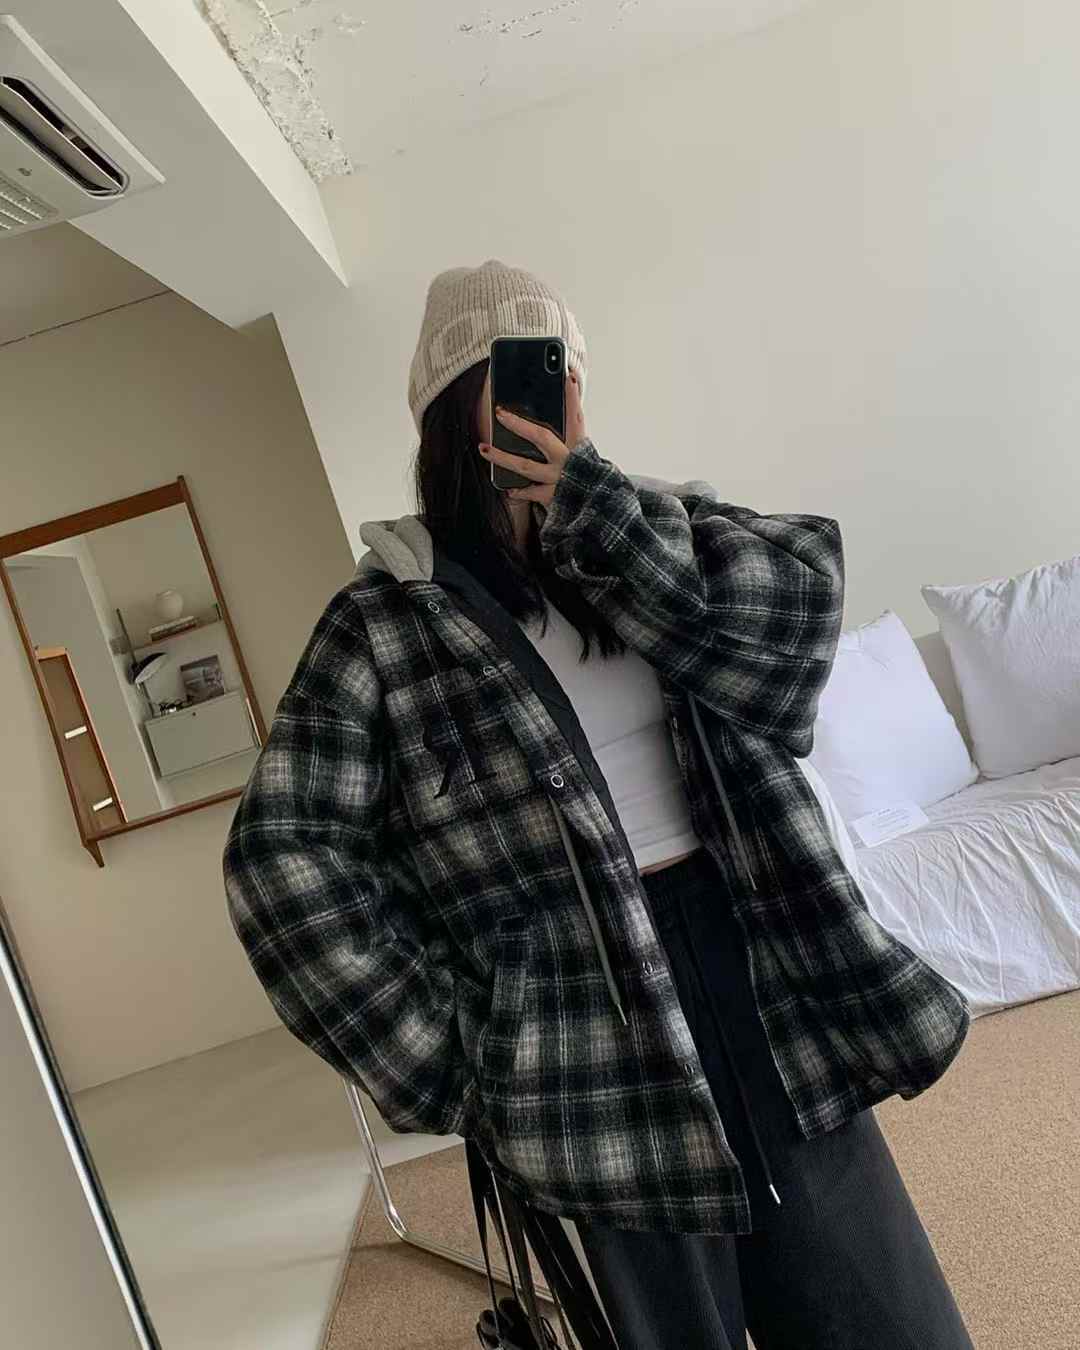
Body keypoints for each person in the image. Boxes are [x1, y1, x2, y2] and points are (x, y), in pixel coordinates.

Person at [222, 260, 974, 1349]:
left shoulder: (656, 533)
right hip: (578, 1026)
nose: (553, 392)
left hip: (759, 961)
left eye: (564, 368)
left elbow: (790, 646)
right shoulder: (385, 624)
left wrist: (600, 513)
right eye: (517, 372)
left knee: (889, 1319)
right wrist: (457, 1061)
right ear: (450, 409)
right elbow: (283, 863)